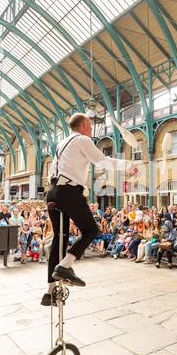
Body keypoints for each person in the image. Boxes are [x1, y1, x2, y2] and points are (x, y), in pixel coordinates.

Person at [41, 113, 137, 306]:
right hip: (68, 191)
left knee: (60, 239)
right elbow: (102, 162)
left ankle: (49, 292)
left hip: (53, 192)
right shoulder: (82, 139)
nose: (92, 130)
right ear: (84, 125)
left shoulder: (61, 143)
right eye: (90, 126)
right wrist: (127, 166)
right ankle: (65, 266)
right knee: (91, 230)